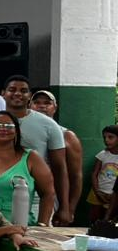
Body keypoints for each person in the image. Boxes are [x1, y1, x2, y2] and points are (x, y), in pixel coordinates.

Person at [0, 76, 70, 223]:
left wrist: (64, 207)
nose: (17, 94)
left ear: (29, 96)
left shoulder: (49, 126)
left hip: (34, 202)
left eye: (23, 91)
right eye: (12, 90)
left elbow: (60, 168)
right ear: (3, 93)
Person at [0, 111, 55, 225]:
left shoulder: (31, 158)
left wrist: (42, 225)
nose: (3, 129)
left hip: (20, 230)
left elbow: (48, 193)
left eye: (9, 126)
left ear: (16, 131)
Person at [31, 91, 84, 224]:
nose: (41, 106)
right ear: (30, 106)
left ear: (55, 107)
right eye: (37, 102)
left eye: (47, 103)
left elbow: (76, 176)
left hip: (54, 198)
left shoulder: (67, 136)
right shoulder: (22, 131)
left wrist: (68, 209)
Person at [92, 126, 118, 222]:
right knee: (95, 219)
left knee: (109, 220)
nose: (106, 140)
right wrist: (97, 191)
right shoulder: (102, 155)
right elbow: (94, 174)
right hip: (98, 192)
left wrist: (114, 195)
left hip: (113, 195)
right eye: (104, 137)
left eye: (110, 137)